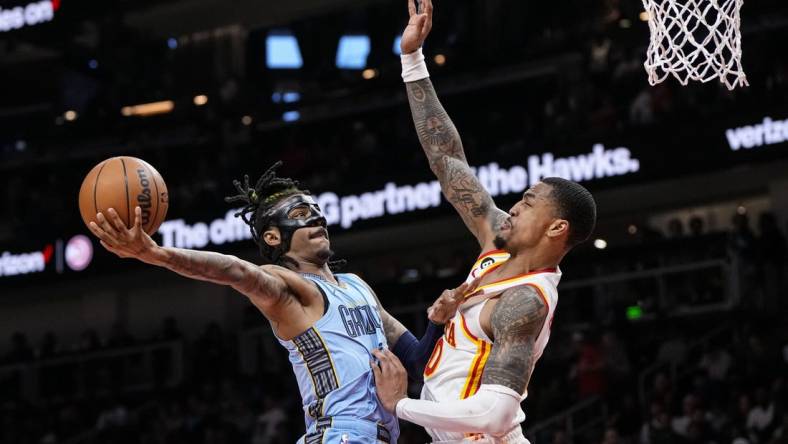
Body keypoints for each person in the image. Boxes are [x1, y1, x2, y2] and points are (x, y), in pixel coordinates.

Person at [87, 161, 471, 443]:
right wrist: (157, 255)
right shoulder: (289, 290)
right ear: (273, 238)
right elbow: (234, 271)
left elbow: (420, 363)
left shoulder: (358, 287)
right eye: (302, 214)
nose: (317, 218)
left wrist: (436, 322)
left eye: (317, 211)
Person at [371, 1, 597, 443]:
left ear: (556, 228)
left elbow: (495, 415)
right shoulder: (497, 242)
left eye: (529, 203)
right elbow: (447, 159)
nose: (513, 207)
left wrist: (399, 404)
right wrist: (412, 59)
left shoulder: (525, 301)